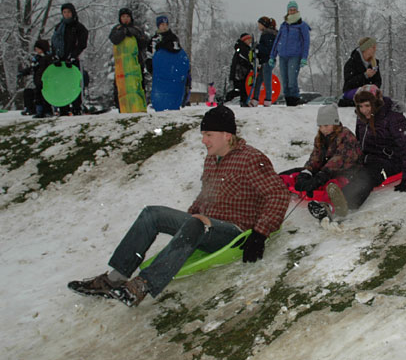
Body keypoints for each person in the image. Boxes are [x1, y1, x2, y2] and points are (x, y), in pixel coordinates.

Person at [67, 105, 291, 307]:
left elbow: (278, 194)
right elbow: (205, 195)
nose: (204, 140)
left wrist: (260, 234)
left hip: (234, 232)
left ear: (227, 135)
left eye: (209, 135)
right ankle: (114, 279)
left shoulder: (250, 159)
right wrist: (188, 218)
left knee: (197, 224)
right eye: (203, 135)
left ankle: (141, 286)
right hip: (205, 224)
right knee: (152, 214)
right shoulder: (212, 158)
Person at [308, 85, 406, 221]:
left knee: (366, 177)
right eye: (360, 106)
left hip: (388, 161)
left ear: (376, 102)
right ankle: (327, 196)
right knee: (344, 172)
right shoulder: (362, 117)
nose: (363, 110)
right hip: (365, 158)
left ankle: (337, 205)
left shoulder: (393, 118)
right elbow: (359, 141)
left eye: (367, 105)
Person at [280, 104, 362, 200]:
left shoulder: (345, 135)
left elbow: (340, 159)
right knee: (293, 174)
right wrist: (307, 171)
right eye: (320, 126)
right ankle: (279, 187)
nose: (323, 129)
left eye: (326, 125)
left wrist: (322, 175)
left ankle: (331, 201)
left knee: (333, 184)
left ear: (335, 123)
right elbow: (316, 156)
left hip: (346, 171)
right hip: (325, 170)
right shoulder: (320, 137)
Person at [268, 1, 311, 106]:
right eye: (290, 10)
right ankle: (288, 99)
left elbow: (306, 42)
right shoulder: (284, 25)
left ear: (297, 10)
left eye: (294, 9)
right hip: (283, 55)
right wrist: (272, 56)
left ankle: (295, 98)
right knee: (285, 80)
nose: (292, 11)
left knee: (292, 79)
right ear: (288, 11)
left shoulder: (302, 26)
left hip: (295, 55)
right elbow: (277, 41)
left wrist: (304, 57)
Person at [51, 2, 88, 116]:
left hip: (73, 60)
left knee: (75, 84)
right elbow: (54, 42)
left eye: (68, 12)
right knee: (62, 84)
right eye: (64, 12)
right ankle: (63, 108)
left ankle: (77, 107)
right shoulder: (59, 27)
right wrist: (55, 56)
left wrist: (73, 56)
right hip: (60, 61)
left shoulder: (78, 27)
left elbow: (82, 44)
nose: (66, 14)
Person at [109, 8, 149, 112]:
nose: (125, 19)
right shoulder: (116, 29)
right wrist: (123, 32)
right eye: (123, 17)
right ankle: (122, 108)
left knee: (137, 86)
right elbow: (113, 39)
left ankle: (139, 108)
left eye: (127, 17)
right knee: (121, 88)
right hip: (121, 66)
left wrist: (134, 34)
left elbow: (144, 42)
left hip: (136, 64)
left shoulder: (137, 29)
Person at [338, 37, 382, 107]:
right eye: (373, 47)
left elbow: (378, 81)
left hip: (370, 92)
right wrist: (365, 75)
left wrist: (373, 87)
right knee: (369, 95)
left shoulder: (375, 63)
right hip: (351, 91)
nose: (375, 49)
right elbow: (349, 83)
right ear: (366, 48)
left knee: (379, 97)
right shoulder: (351, 63)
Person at [17, 39, 54, 118]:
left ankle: (47, 111)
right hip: (38, 81)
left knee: (44, 97)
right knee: (38, 96)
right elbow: (32, 68)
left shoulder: (48, 58)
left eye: (38, 48)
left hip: (46, 81)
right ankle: (39, 111)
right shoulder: (37, 58)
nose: (36, 50)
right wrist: (24, 72)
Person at [249, 16, 278, 107]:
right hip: (265, 60)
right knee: (259, 80)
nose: (258, 26)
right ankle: (255, 99)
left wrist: (258, 46)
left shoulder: (268, 35)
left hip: (267, 61)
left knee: (266, 80)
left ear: (263, 25)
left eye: (259, 24)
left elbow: (267, 49)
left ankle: (267, 99)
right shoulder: (268, 34)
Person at [226, 33, 253, 105]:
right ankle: (225, 98)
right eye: (248, 40)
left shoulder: (242, 48)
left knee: (241, 89)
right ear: (244, 40)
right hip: (240, 74)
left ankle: (243, 102)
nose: (250, 42)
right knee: (241, 89)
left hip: (240, 73)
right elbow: (245, 61)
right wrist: (251, 66)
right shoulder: (243, 49)